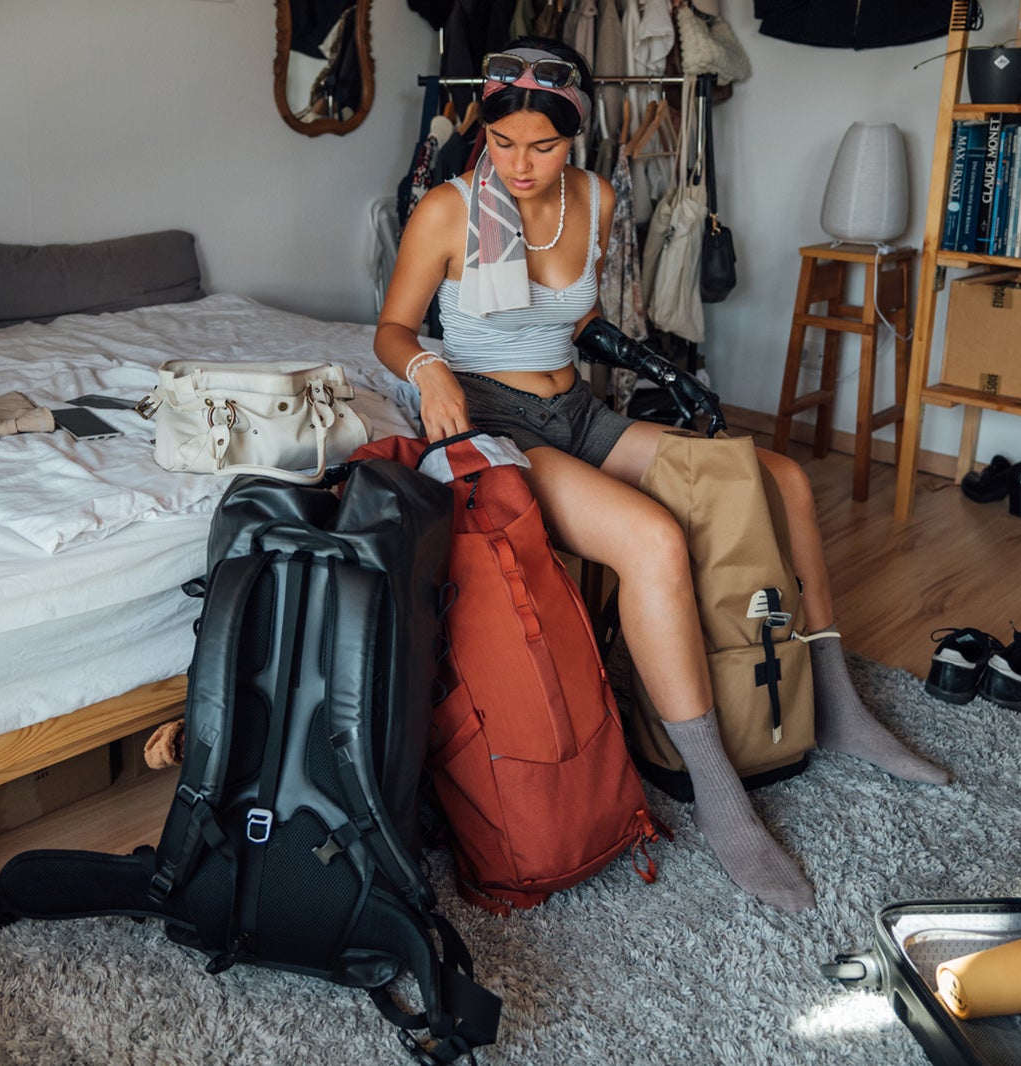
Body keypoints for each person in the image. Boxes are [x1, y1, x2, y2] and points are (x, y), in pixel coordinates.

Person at [375, 38, 948, 912]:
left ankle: (838, 705)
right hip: (497, 423)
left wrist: (661, 371)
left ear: (578, 139)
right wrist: (428, 370)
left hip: (580, 409)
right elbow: (392, 330)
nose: (521, 165)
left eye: (544, 146)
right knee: (652, 541)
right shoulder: (448, 211)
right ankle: (718, 792)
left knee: (779, 481)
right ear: (480, 129)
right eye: (502, 142)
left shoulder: (598, 200)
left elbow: (584, 316)